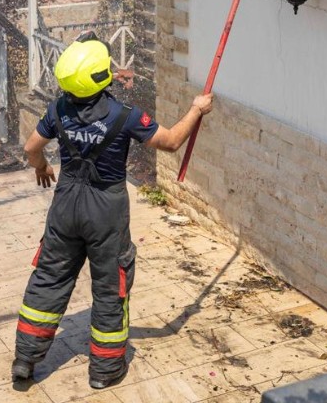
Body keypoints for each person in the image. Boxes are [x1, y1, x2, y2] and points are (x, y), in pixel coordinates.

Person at [12, 34, 214, 390]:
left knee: (49, 278)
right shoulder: (126, 116)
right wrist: (197, 109)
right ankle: (104, 371)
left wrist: (41, 166)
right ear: (99, 76)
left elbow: (31, 148)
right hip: (105, 210)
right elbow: (170, 142)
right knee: (109, 288)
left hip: (65, 205)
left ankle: (25, 360)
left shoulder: (58, 108)